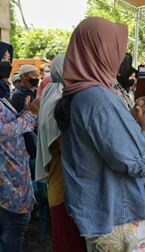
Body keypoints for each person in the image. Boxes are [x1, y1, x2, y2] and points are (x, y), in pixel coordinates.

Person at [53, 17, 145, 251]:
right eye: (116, 48)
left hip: (106, 213)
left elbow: (107, 145)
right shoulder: (98, 99)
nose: (120, 57)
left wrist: (133, 122)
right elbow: (142, 163)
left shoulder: (80, 95)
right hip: (120, 219)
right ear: (99, 51)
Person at [35, 55, 87, 252]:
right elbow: (64, 144)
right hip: (66, 187)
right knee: (69, 243)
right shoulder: (60, 98)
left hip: (59, 182)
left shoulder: (50, 93)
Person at [0, 43, 40, 251]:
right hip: (7, 180)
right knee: (13, 229)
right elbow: (3, 131)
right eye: (3, 58)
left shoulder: (4, 93)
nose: (7, 63)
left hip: (12, 175)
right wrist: (29, 115)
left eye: (8, 58)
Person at [11, 65, 39, 162]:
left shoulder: (37, 92)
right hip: (28, 138)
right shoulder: (18, 96)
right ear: (24, 77)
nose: (36, 78)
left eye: (37, 75)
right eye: (34, 76)